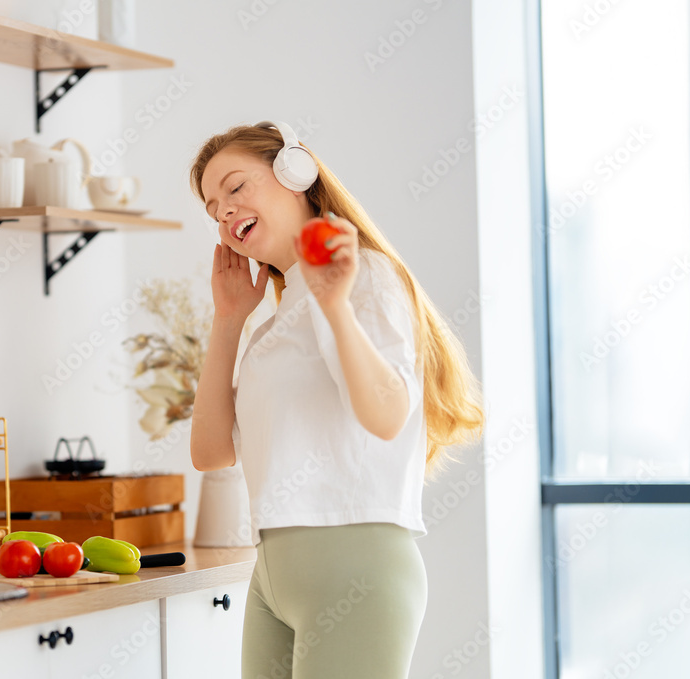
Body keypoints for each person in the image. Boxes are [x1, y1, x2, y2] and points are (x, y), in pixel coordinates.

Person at [188, 121, 484, 678]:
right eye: (212, 209)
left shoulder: (364, 276)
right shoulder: (273, 324)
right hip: (272, 573)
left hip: (355, 567)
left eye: (235, 188)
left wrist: (335, 306)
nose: (224, 212)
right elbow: (209, 453)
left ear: (294, 173)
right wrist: (228, 321)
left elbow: (388, 414)